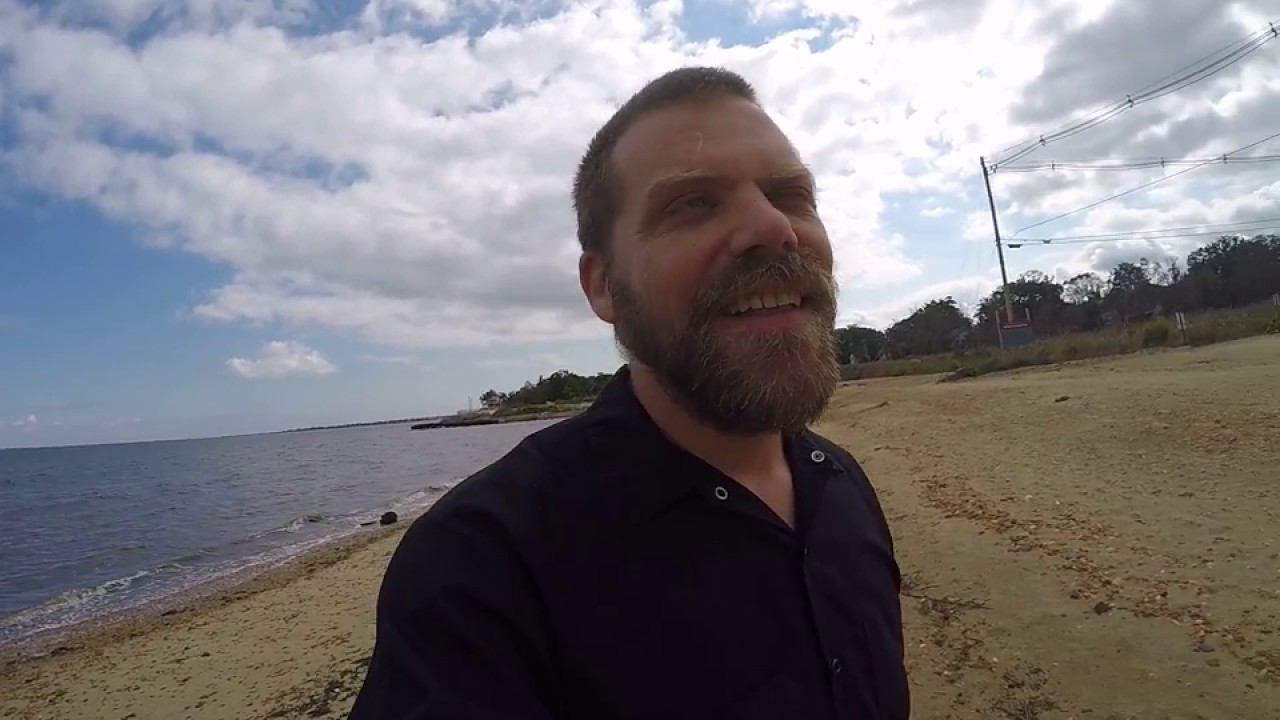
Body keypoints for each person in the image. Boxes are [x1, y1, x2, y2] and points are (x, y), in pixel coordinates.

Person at [347, 65, 909, 720]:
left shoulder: (842, 484)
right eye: (693, 203)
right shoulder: (480, 570)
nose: (774, 227)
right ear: (603, 286)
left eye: (790, 194)